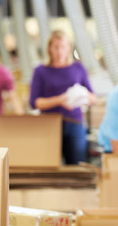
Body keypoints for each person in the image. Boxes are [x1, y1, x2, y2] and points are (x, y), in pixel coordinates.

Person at [29, 30, 97, 165]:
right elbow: (35, 102)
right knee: (48, 164)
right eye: (56, 47)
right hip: (49, 124)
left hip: (74, 123)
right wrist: (60, 99)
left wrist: (81, 97)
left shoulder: (78, 68)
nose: (60, 51)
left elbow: (93, 97)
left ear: (69, 48)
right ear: (50, 48)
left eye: (63, 47)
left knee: (77, 165)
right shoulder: (41, 71)